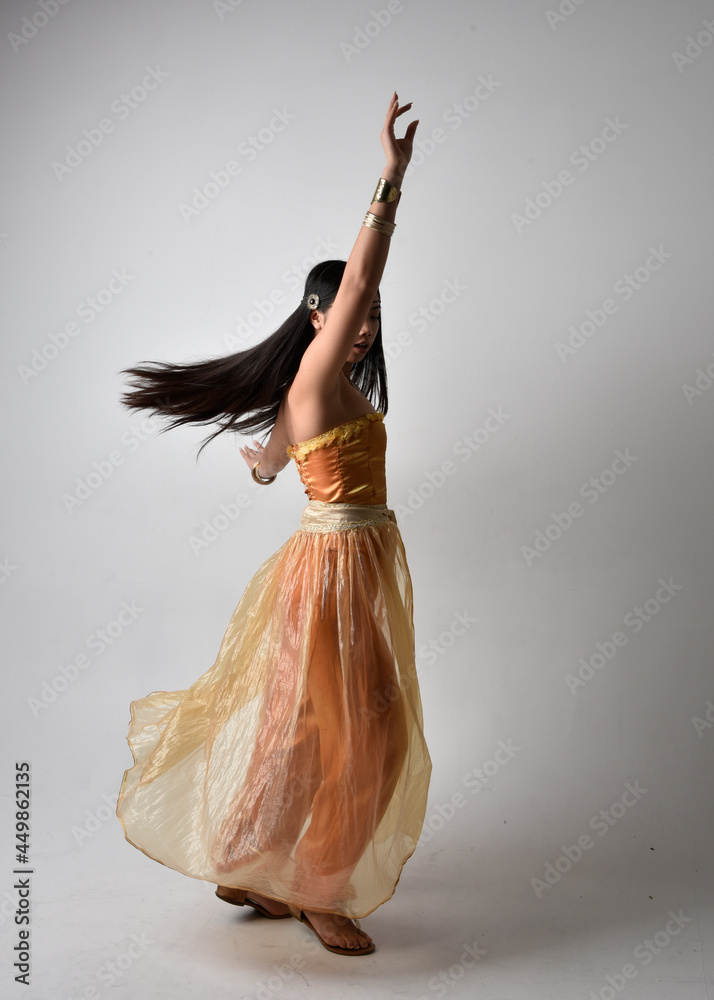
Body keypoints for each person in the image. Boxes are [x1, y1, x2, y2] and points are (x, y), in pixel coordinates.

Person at [115, 91, 432, 956]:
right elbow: (365, 273)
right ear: (317, 318)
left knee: (311, 722)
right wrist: (389, 181)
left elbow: (274, 458)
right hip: (332, 566)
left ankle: (253, 860)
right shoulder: (323, 370)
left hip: (338, 565)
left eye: (370, 319)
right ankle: (322, 890)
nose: (363, 325)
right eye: (348, 315)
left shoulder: (317, 395)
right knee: (371, 729)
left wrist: (262, 464)